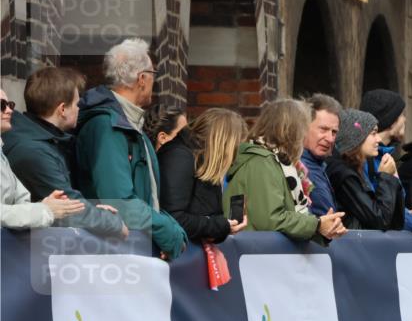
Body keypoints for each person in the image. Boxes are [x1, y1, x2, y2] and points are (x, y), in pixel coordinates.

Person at [75, 38, 187, 259]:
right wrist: (167, 231)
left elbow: (146, 196)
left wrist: (169, 228)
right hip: (115, 255)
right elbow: (120, 202)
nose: (154, 81)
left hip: (128, 250)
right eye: (154, 74)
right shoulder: (109, 126)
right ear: (142, 79)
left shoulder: (127, 123)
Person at [3, 67, 126, 238]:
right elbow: (69, 207)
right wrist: (114, 224)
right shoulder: (33, 151)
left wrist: (94, 210)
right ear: (62, 109)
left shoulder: (49, 140)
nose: (79, 108)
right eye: (77, 103)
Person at [223, 99, 346, 243]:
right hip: (258, 256)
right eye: (303, 127)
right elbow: (270, 219)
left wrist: (324, 229)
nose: (304, 134)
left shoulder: (278, 162)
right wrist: (317, 224)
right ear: (290, 130)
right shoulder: (262, 162)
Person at [159, 107, 248, 242]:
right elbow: (173, 219)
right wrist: (221, 225)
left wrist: (225, 227)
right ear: (223, 143)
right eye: (234, 146)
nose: (234, 154)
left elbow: (208, 216)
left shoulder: (205, 163)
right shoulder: (180, 157)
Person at [1, 89, 84, 230]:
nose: (9, 110)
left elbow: (21, 201)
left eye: (10, 105)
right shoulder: (30, 149)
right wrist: (46, 210)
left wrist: (49, 205)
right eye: (2, 105)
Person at [328, 108, 412, 231]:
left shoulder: (355, 170)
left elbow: (395, 222)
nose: (378, 139)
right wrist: (386, 177)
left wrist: (393, 178)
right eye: (373, 133)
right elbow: (380, 220)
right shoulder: (344, 175)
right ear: (356, 137)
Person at [359, 89, 412, 232]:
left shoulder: (383, 156)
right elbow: (379, 212)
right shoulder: (365, 160)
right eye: (401, 115)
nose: (405, 119)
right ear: (391, 121)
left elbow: (393, 206)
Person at [299, 94, 341, 218]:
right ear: (304, 126)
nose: (330, 139)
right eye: (323, 129)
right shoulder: (297, 166)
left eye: (334, 132)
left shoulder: (319, 164)